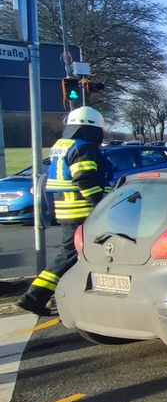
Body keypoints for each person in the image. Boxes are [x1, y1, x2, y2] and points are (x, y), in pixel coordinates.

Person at [17, 107, 113, 316]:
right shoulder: (84, 147)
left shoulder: (62, 145)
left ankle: (52, 296)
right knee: (71, 254)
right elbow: (84, 179)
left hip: (66, 209)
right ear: (92, 128)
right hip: (81, 210)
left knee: (74, 254)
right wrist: (100, 205)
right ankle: (34, 297)